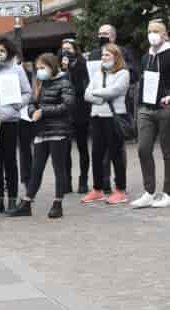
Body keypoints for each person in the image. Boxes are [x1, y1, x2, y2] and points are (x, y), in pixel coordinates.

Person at [134, 19, 170, 209]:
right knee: (143, 148)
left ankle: (167, 193)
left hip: (165, 109)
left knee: (168, 151)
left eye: (156, 31)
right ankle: (149, 191)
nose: (152, 34)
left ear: (165, 35)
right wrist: (139, 105)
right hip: (146, 109)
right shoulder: (146, 57)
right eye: (149, 30)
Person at [18, 53, 74, 219]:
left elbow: (68, 105)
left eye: (43, 67)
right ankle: (27, 202)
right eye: (38, 68)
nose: (40, 71)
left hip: (58, 132)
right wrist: (33, 111)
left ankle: (58, 203)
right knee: (36, 169)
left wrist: (44, 112)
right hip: (41, 132)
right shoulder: (39, 83)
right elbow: (32, 103)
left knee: (59, 168)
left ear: (52, 66)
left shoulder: (64, 82)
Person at [0, 37, 32, 214]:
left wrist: (18, 104)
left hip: (10, 120)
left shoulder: (17, 69)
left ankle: (12, 198)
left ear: (9, 52)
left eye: (2, 51)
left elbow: (28, 92)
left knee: (10, 161)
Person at [83, 43, 130, 204]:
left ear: (116, 57)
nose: (104, 58)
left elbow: (115, 91)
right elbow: (86, 94)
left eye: (107, 55)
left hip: (113, 117)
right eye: (103, 55)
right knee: (96, 154)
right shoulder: (98, 73)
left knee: (116, 154)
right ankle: (97, 189)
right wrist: (101, 96)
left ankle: (120, 190)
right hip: (97, 116)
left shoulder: (123, 73)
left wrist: (96, 94)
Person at [60, 39, 90, 193]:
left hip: (80, 110)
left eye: (69, 49)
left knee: (82, 146)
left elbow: (80, 88)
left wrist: (71, 70)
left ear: (75, 50)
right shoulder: (60, 67)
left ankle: (83, 180)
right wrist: (64, 70)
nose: (66, 52)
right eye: (63, 49)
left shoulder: (82, 65)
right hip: (65, 113)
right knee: (65, 149)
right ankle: (67, 181)